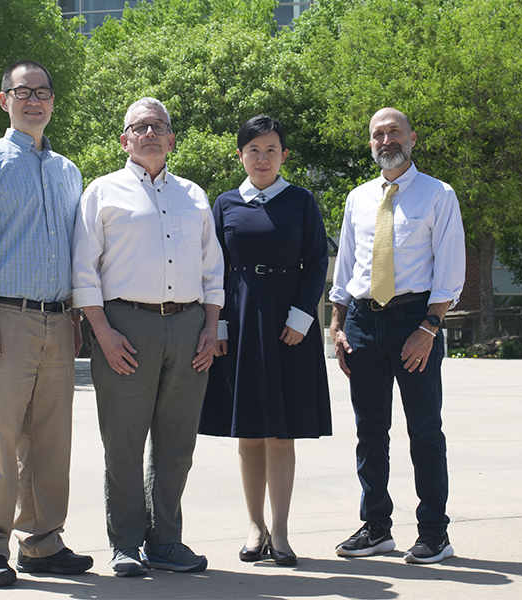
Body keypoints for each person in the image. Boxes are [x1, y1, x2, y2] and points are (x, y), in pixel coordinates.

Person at [0, 60, 92, 587]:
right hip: (4, 319)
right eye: (23, 91)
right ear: (4, 99)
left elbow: (78, 254)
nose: (35, 100)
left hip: (59, 322)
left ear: (53, 102)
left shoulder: (68, 172)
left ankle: (42, 543)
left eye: (44, 92)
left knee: (51, 440)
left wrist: (75, 315)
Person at [72, 97, 224, 577]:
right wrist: (102, 333)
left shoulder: (194, 195)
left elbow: (212, 269)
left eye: (159, 125)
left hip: (188, 325)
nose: (151, 133)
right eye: (140, 127)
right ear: (125, 139)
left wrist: (210, 327)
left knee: (177, 442)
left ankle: (166, 540)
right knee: (124, 440)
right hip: (125, 327)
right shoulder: (102, 192)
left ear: (172, 138)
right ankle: (125, 544)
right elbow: (84, 271)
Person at [329, 107, 465, 564]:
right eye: (377, 134)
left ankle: (434, 534)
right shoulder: (358, 198)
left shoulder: (438, 195)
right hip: (363, 323)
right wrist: (337, 324)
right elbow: (346, 267)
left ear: (411, 138)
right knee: (370, 431)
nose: (385, 140)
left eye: (393, 132)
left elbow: (450, 271)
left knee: (424, 430)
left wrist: (429, 328)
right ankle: (376, 528)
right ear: (370, 143)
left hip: (414, 322)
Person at [199, 116, 331, 567]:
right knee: (250, 433)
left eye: (271, 149)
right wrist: (216, 326)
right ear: (241, 155)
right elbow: (212, 267)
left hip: (288, 326)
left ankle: (282, 530)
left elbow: (316, 262)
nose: (262, 157)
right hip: (238, 324)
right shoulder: (225, 204)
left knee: (281, 433)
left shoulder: (301, 201)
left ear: (284, 155)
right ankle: (254, 527)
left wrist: (302, 316)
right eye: (253, 149)